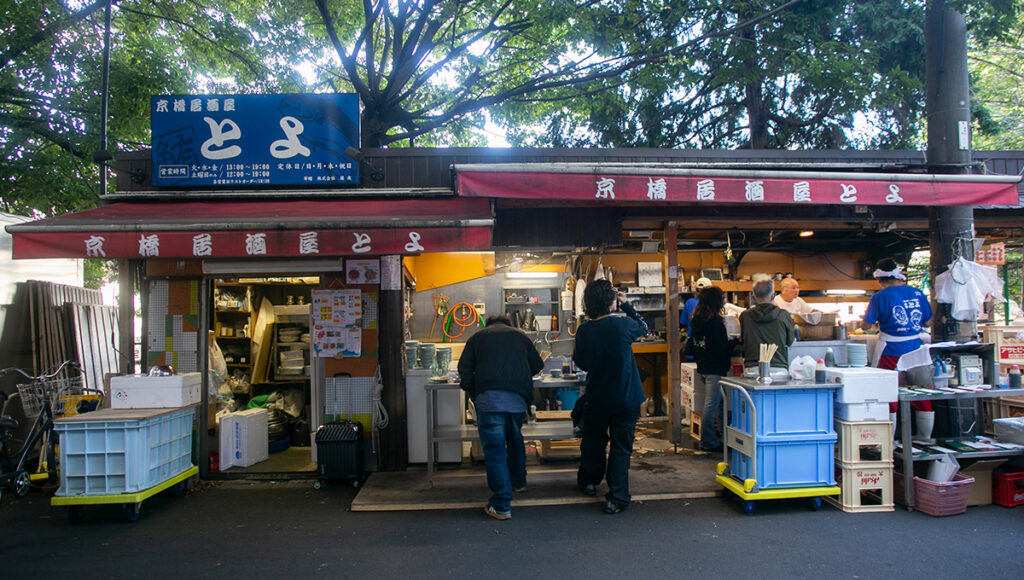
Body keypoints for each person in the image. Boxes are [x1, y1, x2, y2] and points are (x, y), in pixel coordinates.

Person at [458, 314, 544, 521]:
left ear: (488, 325)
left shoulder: (477, 338)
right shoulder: (521, 336)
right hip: (516, 402)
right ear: (509, 324)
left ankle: (501, 504)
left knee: (495, 451)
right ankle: (518, 483)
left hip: (489, 401)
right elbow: (538, 366)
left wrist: (473, 392)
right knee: (515, 440)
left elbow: (464, 369)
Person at [573, 279, 646, 515]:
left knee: (594, 441)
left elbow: (581, 362)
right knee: (620, 448)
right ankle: (617, 497)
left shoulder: (584, 330)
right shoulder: (623, 326)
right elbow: (643, 327)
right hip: (626, 398)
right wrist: (627, 306)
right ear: (610, 301)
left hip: (598, 397)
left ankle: (589, 482)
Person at [860, 258, 934, 433]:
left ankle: (890, 443)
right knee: (922, 393)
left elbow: (865, 326)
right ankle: (926, 439)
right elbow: (929, 321)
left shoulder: (880, 297)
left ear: (879, 279)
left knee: (888, 393)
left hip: (891, 351)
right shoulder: (917, 293)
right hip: (917, 350)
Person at [689, 286, 739, 453]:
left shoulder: (696, 319)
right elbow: (721, 348)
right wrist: (735, 342)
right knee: (712, 404)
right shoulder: (715, 322)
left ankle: (723, 436)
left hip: (703, 366)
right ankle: (708, 441)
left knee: (719, 402)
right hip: (715, 369)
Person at [739, 279, 795, 369]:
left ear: (753, 298)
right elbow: (790, 341)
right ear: (773, 295)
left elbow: (743, 340)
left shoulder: (745, 316)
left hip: (752, 367)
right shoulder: (783, 315)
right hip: (779, 367)